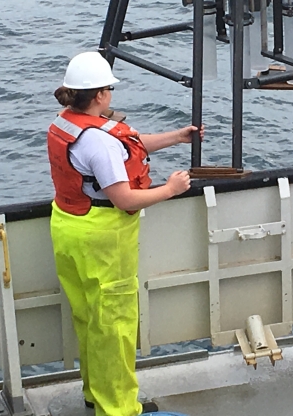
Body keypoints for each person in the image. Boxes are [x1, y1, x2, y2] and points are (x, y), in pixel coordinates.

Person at [47, 51, 201, 415]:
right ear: (100, 95)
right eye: (108, 90)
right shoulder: (97, 141)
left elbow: (123, 148)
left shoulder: (67, 124)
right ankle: (118, 410)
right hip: (104, 240)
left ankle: (95, 394)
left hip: (69, 227)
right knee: (114, 328)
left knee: (89, 320)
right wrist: (171, 188)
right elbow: (123, 197)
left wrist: (177, 137)